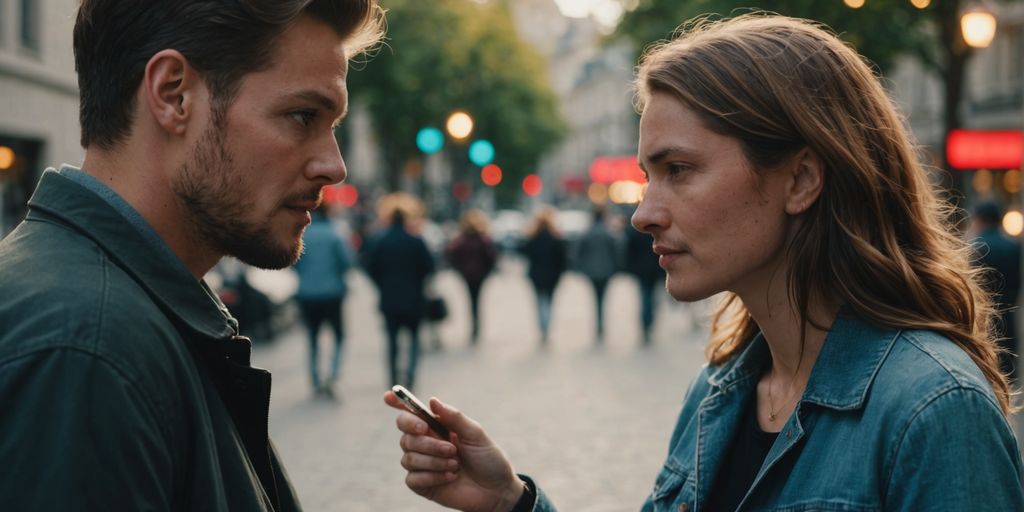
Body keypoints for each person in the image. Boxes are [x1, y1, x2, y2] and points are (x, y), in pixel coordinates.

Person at [384, 13, 1023, 512]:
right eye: (647, 176)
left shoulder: (932, 409)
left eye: (679, 171)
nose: (643, 214)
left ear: (801, 179)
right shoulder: (720, 392)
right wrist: (509, 503)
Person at [0, 1, 383, 509]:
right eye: (302, 116)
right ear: (173, 94)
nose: (334, 167)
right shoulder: (88, 351)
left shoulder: (114, 316)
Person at [364, 198, 435, 390]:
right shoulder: (416, 240)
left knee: (392, 341)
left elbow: (370, 267)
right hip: (414, 298)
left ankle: (393, 378)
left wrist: (381, 284)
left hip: (389, 299)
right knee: (413, 340)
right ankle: (410, 376)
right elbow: (430, 267)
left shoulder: (381, 241)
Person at [293, 207, 352, 398]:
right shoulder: (335, 234)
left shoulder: (304, 236)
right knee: (339, 336)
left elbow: (294, 262)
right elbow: (347, 262)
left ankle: (315, 378)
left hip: (308, 294)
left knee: (312, 337)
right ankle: (332, 376)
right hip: (333, 293)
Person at [971, 200, 1022, 378]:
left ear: (980, 219)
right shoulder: (1014, 246)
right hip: (1009, 312)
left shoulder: (975, 246)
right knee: (1008, 367)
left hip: (983, 317)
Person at [446, 209, 498, 344]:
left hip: (468, 275)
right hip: (479, 275)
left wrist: (460, 270)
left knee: (471, 300)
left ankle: (474, 326)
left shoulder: (461, 241)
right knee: (477, 300)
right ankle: (476, 326)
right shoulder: (483, 240)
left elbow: (452, 256)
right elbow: (491, 257)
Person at [519, 207, 568, 344]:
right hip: (553, 276)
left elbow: (523, 251)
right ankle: (546, 326)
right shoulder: (556, 239)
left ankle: (543, 327)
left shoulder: (533, 238)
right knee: (549, 302)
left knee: (540, 301)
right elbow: (563, 260)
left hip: (536, 275)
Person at [573, 207, 621, 341]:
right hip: (607, 271)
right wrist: (617, 268)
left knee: (596, 298)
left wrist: (580, 268)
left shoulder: (587, 233)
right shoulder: (608, 233)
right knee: (603, 298)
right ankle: (601, 324)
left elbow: (578, 253)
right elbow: (617, 253)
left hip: (591, 272)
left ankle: (598, 324)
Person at [625, 217, 665, 345]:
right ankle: (648, 322)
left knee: (645, 297)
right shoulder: (657, 230)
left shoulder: (636, 230)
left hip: (642, 270)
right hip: (654, 269)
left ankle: (646, 324)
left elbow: (629, 251)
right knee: (651, 298)